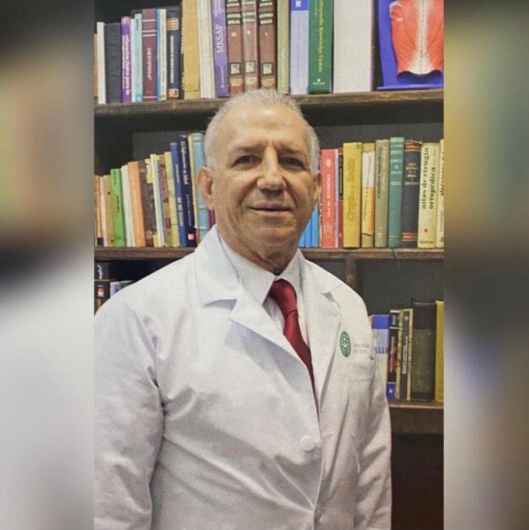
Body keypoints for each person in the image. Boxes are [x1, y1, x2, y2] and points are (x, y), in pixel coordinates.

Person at [95, 89, 391, 530]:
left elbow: (370, 482)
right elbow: (107, 506)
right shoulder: (137, 319)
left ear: (315, 188)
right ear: (208, 188)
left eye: (290, 161)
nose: (272, 179)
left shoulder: (346, 306)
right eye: (247, 159)